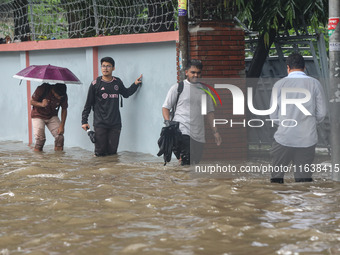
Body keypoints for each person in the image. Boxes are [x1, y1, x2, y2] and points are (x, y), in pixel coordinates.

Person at [269, 52, 327, 183]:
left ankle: (280, 204)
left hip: (284, 139)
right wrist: (310, 122)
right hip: (307, 140)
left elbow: (273, 115)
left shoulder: (279, 85)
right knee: (304, 181)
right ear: (304, 67)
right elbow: (322, 113)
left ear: (288, 67)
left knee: (276, 180)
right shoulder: (315, 84)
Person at [162, 59, 222, 165]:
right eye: (193, 72)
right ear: (186, 72)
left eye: (198, 73)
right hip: (182, 130)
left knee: (195, 163)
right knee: (187, 162)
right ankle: (182, 179)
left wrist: (215, 132)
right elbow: (166, 108)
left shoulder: (204, 90)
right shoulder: (178, 88)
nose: (196, 75)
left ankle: (178, 179)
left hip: (199, 133)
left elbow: (209, 113)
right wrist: (168, 124)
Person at [81, 57, 142, 156]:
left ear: (113, 68)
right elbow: (88, 104)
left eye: (108, 66)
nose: (105, 68)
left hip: (115, 124)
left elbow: (126, 93)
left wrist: (135, 84)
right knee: (99, 153)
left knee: (112, 153)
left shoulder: (117, 82)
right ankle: (98, 171)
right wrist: (84, 121)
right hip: (100, 123)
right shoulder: (95, 84)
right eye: (103, 66)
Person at [31, 83, 68, 152]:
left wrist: (62, 125)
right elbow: (32, 101)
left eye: (61, 96)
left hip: (52, 115)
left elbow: (64, 109)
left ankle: (58, 160)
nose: (60, 98)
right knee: (40, 140)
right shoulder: (42, 89)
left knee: (60, 137)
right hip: (38, 115)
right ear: (53, 91)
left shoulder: (63, 95)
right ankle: (38, 160)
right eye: (58, 96)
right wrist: (41, 104)